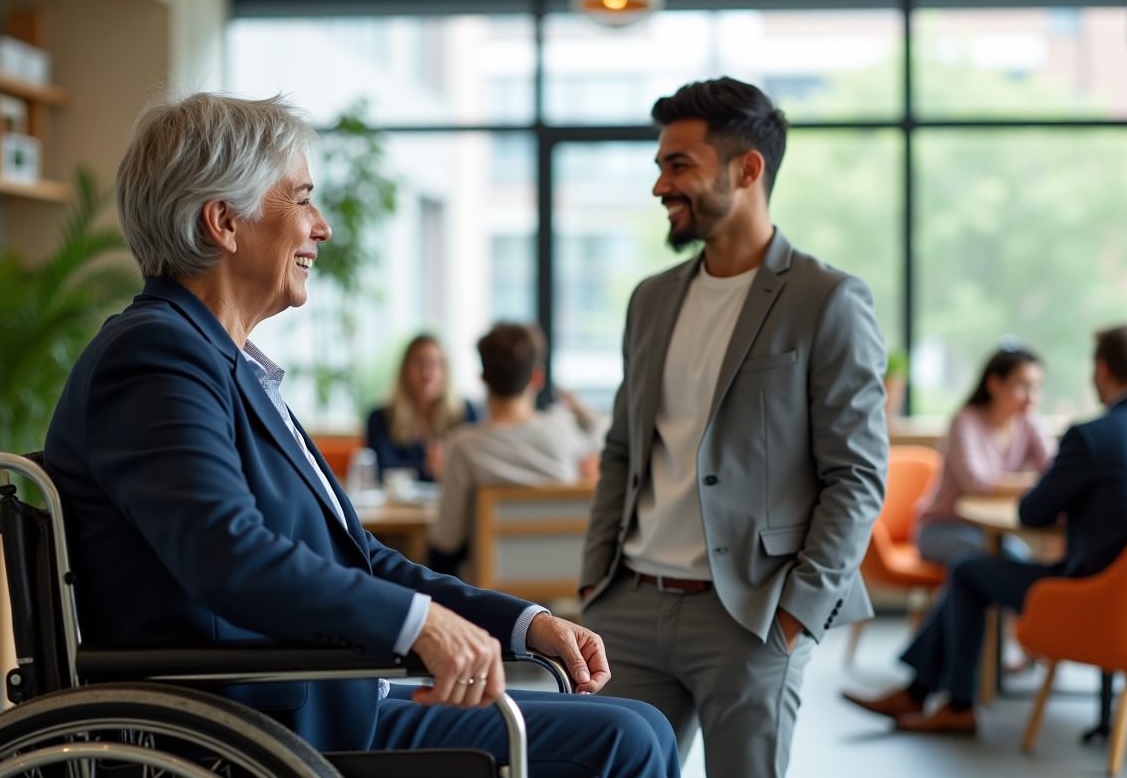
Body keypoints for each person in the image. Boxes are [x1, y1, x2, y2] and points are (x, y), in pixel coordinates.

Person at [42, 92, 679, 778]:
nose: (322, 228)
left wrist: (523, 624)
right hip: (265, 733)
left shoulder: (223, 363)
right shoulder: (155, 358)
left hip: (327, 699)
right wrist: (420, 625)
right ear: (224, 221)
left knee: (642, 724)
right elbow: (227, 552)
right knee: (628, 739)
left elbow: (361, 559)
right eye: (302, 199)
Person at [578, 77, 889, 777]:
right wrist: (596, 579)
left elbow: (857, 474)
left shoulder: (827, 299)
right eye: (660, 165)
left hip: (751, 617)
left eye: (678, 165)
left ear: (747, 170)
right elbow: (622, 448)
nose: (660, 185)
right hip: (628, 607)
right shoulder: (650, 300)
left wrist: (798, 613)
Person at [843, 325, 1127, 734]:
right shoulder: (970, 421)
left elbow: (1032, 512)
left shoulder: (1092, 436)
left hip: (1091, 595)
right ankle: (922, 691)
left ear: (1103, 371)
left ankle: (950, 702)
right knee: (983, 562)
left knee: (969, 571)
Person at [428, 322, 602, 577]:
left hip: (488, 594)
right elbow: (600, 434)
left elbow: (447, 541)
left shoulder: (465, 447)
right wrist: (576, 404)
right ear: (538, 377)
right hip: (561, 588)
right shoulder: (564, 432)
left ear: (483, 379)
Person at [913, 346, 1058, 565]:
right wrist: (1035, 482)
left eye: (1036, 386)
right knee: (1011, 561)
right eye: (1022, 385)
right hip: (942, 528)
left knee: (1021, 558)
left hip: (989, 529)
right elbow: (977, 483)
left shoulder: (1028, 421)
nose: (1032, 398)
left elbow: (1055, 468)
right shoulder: (965, 421)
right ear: (994, 384)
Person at [367, 335, 477, 483]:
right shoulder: (380, 418)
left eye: (436, 364)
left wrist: (446, 470)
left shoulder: (464, 413)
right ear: (405, 370)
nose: (427, 374)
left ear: (446, 371)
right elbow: (384, 472)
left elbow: (474, 474)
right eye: (419, 363)